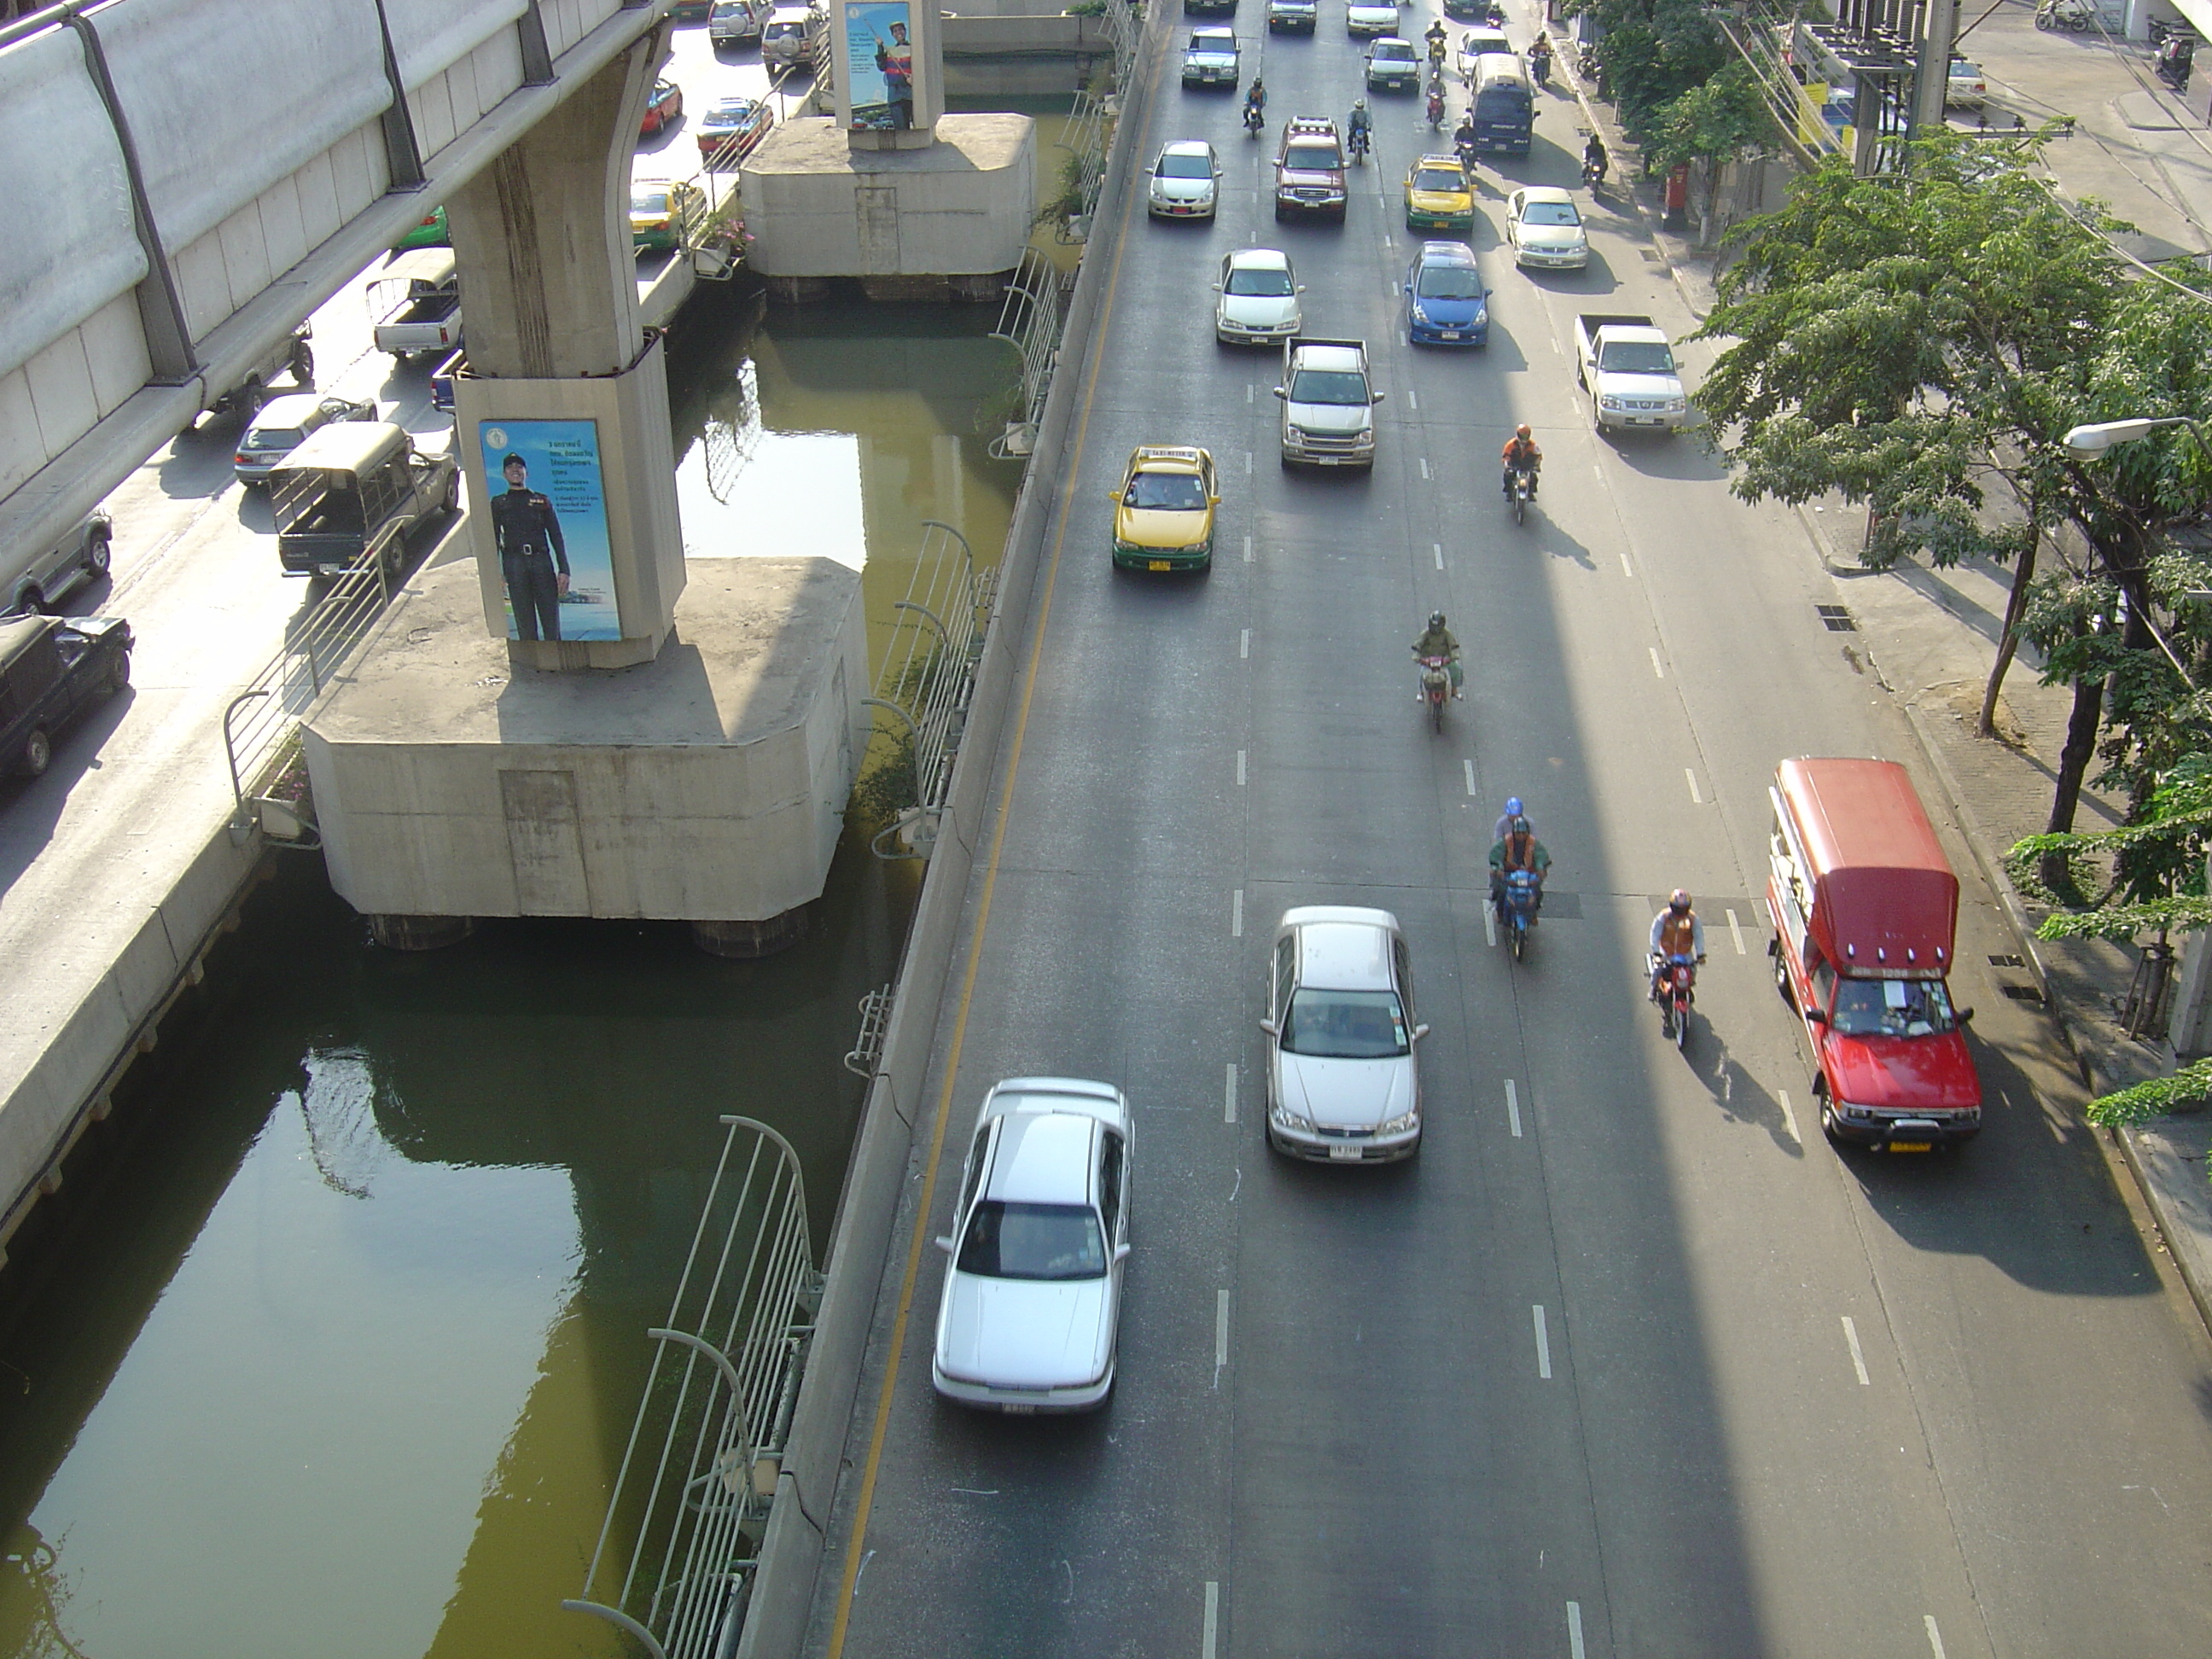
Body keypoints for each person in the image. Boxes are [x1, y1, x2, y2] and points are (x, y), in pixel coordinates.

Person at [490, 451, 569, 642]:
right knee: (524, 620)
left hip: (541, 561)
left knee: (550, 618)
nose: (515, 470)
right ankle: (532, 663)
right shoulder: (499, 503)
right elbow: (493, 538)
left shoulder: (541, 501)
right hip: (514, 563)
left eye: (519, 467)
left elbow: (556, 536)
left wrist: (564, 570)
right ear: (504, 475)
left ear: (527, 473)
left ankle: (556, 660)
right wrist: (497, 573)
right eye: (510, 467)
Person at [1649, 889, 1707, 1002]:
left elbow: (1699, 936)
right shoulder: (1664, 916)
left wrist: (1700, 954)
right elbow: (1655, 933)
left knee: (1692, 970)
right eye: (1678, 909)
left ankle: (1687, 985)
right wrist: (1656, 953)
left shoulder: (1693, 919)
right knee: (1658, 970)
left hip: (1684, 954)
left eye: (1683, 909)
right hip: (1666, 952)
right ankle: (1653, 988)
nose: (1680, 912)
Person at [1489, 815, 1551, 917]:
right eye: (1518, 833)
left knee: (1537, 892)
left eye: (1523, 833)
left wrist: (1540, 868)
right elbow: (1496, 855)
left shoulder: (1533, 843)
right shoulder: (1505, 842)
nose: (1521, 836)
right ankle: (1500, 913)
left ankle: (1533, 913)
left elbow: (1541, 856)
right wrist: (1499, 868)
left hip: (1528, 874)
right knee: (1502, 891)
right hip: (1509, 873)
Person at [1411, 610, 1463, 700]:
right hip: (1428, 659)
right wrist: (1418, 657)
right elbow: (1417, 645)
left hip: (1444, 659)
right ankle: (1421, 692)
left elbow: (1453, 645)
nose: (1435, 628)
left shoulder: (1447, 633)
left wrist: (1454, 656)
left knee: (1456, 669)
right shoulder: (1425, 633)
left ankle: (1454, 690)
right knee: (1423, 673)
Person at [874, 19, 914, 129]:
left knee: (916, 125)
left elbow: (921, 68)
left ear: (905, 31)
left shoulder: (914, 49)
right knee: (900, 128)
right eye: (895, 31)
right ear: (892, 35)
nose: (898, 32)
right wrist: (880, 47)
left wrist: (915, 78)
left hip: (910, 93)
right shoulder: (890, 51)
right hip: (895, 94)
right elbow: (882, 67)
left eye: (900, 29)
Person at [1501, 423, 1542, 498]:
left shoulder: (1533, 445)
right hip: (1514, 465)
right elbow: (1506, 455)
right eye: (1522, 436)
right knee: (1508, 476)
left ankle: (1530, 493)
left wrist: (1537, 466)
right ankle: (1509, 492)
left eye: (1525, 436)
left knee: (1533, 478)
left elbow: (1538, 456)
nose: (1524, 438)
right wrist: (1507, 465)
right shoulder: (1511, 444)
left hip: (1527, 466)